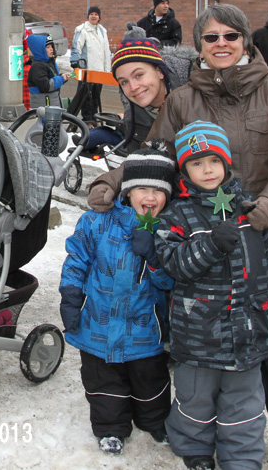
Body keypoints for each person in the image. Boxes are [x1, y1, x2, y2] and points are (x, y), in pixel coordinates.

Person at [88, 4, 268, 470]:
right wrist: (111, 185)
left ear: (246, 42)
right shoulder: (184, 99)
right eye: (210, 37)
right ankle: (205, 432)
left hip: (260, 235)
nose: (221, 44)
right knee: (201, 337)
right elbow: (154, 156)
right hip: (201, 242)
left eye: (230, 36)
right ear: (200, 44)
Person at [156, 121, 268, 470]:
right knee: (195, 398)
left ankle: (242, 458)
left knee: (243, 403)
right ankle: (193, 447)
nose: (207, 170)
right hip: (198, 334)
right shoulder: (177, 215)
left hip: (248, 331)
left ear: (226, 162)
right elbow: (174, 264)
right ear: (184, 170)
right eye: (196, 164)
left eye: (213, 160)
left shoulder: (251, 212)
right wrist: (211, 245)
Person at [59, 142, 177, 455]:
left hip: (144, 331)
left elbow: (170, 280)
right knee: (102, 381)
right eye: (142, 189)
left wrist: (154, 255)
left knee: (149, 380)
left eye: (158, 190)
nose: (150, 198)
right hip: (97, 324)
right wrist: (70, 297)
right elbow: (77, 259)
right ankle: (111, 427)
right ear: (127, 190)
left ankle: (154, 419)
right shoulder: (98, 221)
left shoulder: (169, 231)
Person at [70, 5, 112, 121]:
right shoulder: (82, 29)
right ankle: (87, 119)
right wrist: (75, 62)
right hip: (87, 71)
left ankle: (94, 118)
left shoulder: (103, 31)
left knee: (96, 97)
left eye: (96, 14)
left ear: (99, 17)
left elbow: (106, 51)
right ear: (88, 16)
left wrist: (107, 69)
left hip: (100, 71)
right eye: (92, 14)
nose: (94, 16)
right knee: (85, 97)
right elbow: (76, 47)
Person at [27, 33, 71, 108]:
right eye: (48, 47)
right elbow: (46, 86)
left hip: (52, 104)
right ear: (40, 50)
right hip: (44, 107)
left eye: (52, 46)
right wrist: (61, 79)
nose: (51, 49)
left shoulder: (50, 62)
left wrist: (62, 78)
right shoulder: (37, 66)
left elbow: (53, 79)